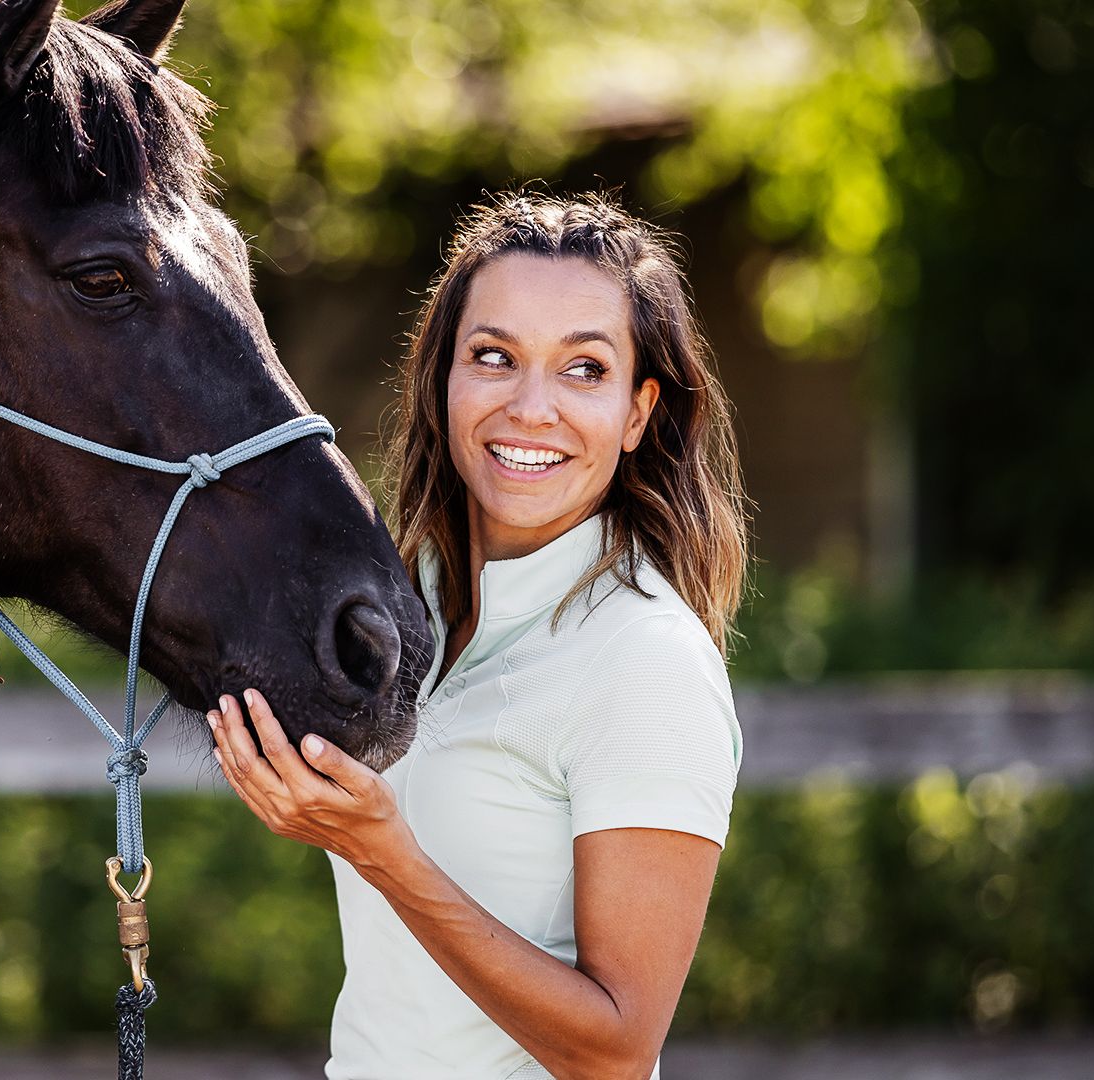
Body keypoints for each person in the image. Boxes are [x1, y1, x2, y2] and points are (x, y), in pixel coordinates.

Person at [206, 189, 750, 1079]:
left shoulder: (646, 659)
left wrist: (385, 856)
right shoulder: (402, 610)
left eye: (583, 370)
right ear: (445, 380)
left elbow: (615, 1050)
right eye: (494, 357)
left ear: (639, 413)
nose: (531, 407)